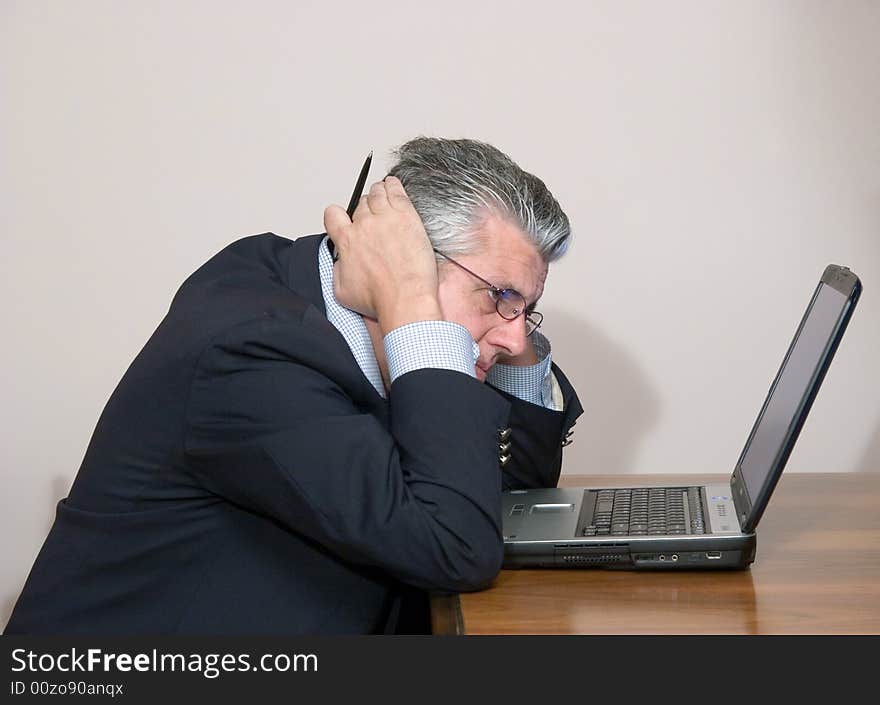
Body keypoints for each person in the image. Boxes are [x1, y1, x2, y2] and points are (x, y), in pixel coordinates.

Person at [5, 137, 583, 634]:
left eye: (526, 308)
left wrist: (476, 323)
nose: (514, 339)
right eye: (499, 296)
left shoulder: (339, 307)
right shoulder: (253, 352)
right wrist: (411, 307)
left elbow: (511, 485)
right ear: (407, 259)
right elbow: (453, 546)